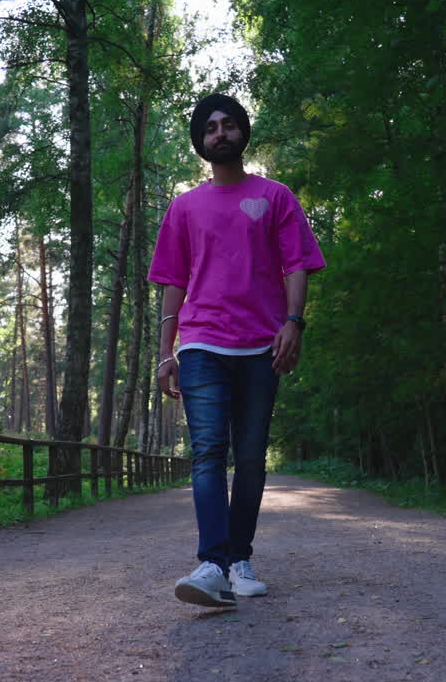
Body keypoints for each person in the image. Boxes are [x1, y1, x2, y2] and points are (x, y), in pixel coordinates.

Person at [147, 93, 326, 608]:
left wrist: (293, 323)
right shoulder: (184, 207)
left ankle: (238, 557)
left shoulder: (275, 197)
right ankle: (212, 564)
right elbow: (171, 282)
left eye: (228, 125)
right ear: (201, 143)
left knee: (249, 458)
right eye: (210, 128)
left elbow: (296, 264)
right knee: (207, 453)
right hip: (202, 342)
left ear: (243, 133)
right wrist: (165, 352)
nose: (220, 133)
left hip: (260, 345)